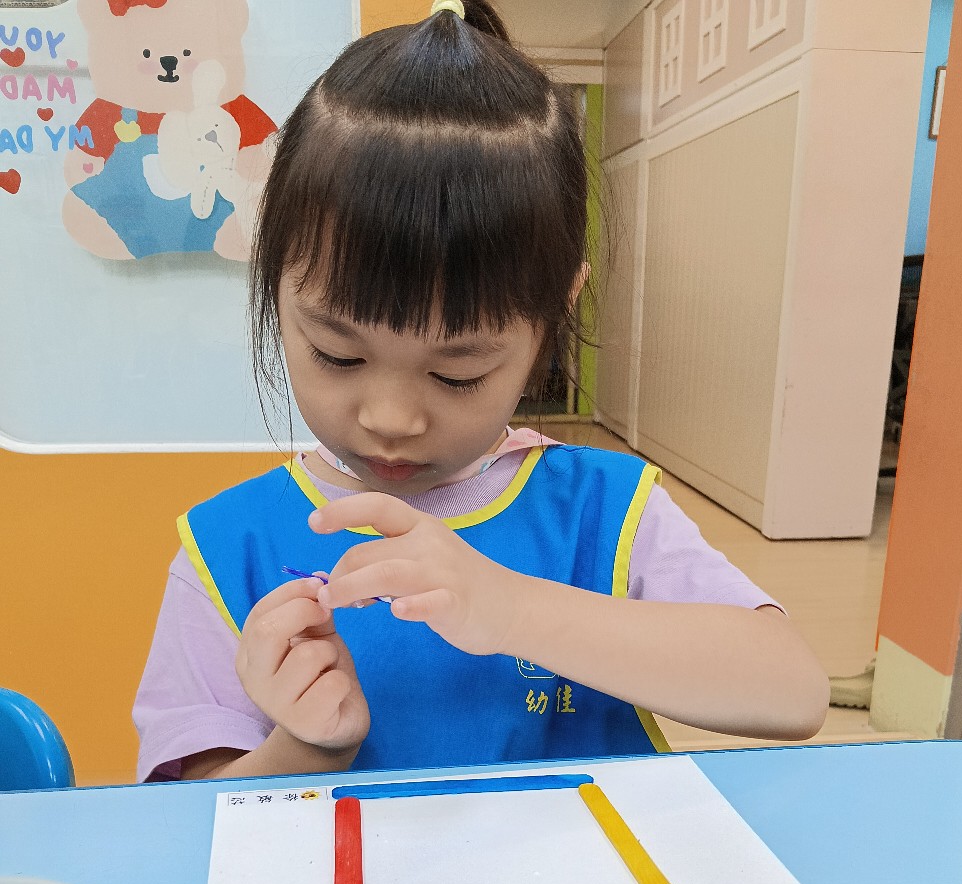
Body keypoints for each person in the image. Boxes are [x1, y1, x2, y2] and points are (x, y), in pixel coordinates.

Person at [133, 0, 829, 783]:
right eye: (338, 354)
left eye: (456, 373)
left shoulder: (602, 512)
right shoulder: (228, 549)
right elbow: (190, 818)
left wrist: (512, 609)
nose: (391, 418)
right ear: (272, 287)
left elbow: (793, 691)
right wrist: (304, 749)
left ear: (552, 319)